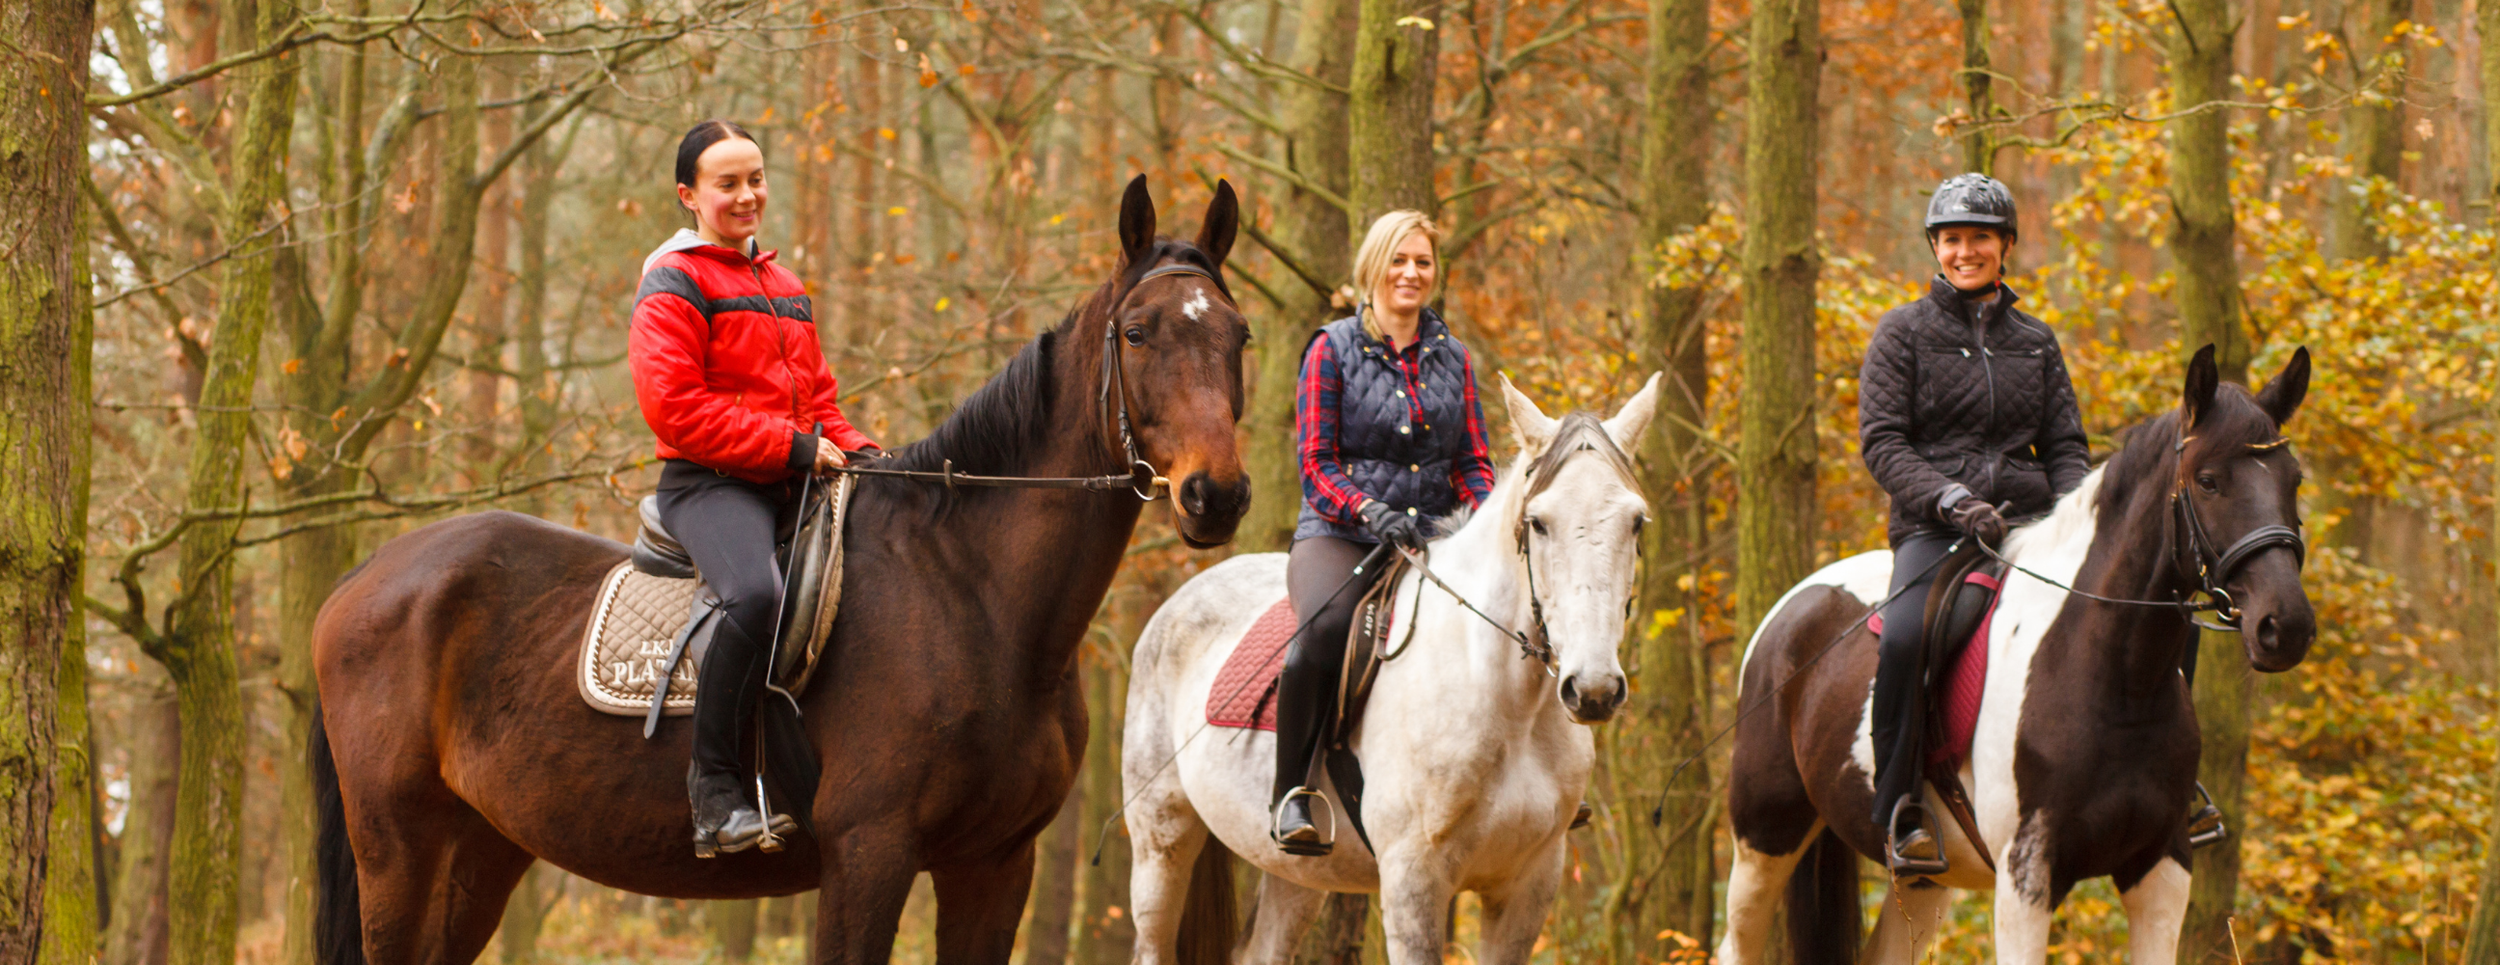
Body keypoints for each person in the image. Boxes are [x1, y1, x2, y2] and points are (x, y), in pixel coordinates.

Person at [628, 119, 878, 858]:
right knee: (756, 596)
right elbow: (675, 409)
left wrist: (871, 455)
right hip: (710, 484)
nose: (747, 195)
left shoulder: (784, 285)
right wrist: (795, 447)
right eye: (728, 183)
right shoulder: (673, 282)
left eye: (756, 178)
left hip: (792, 473)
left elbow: (821, 401)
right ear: (689, 195)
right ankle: (714, 793)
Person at [1857, 173, 2090, 876]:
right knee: (1906, 636)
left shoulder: (2037, 341)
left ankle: (2172, 782)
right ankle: (1899, 805)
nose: (1966, 251)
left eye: (1979, 238)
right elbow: (1884, 443)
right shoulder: (1902, 333)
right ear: (1935, 247)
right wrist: (1953, 500)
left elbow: (2067, 446)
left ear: (2006, 246)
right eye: (1952, 238)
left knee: (2148, 602)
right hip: (1938, 527)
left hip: (2030, 522)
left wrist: (2077, 516)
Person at [1271, 211, 1498, 856]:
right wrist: (1370, 512)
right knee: (1324, 629)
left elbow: (1475, 461)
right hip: (1340, 534)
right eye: (1399, 260)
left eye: (1422, 262)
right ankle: (1292, 791)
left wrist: (1482, 522)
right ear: (1373, 267)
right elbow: (1315, 465)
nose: (1411, 273)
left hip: (1434, 538)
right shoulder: (1330, 349)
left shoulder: (1455, 357)